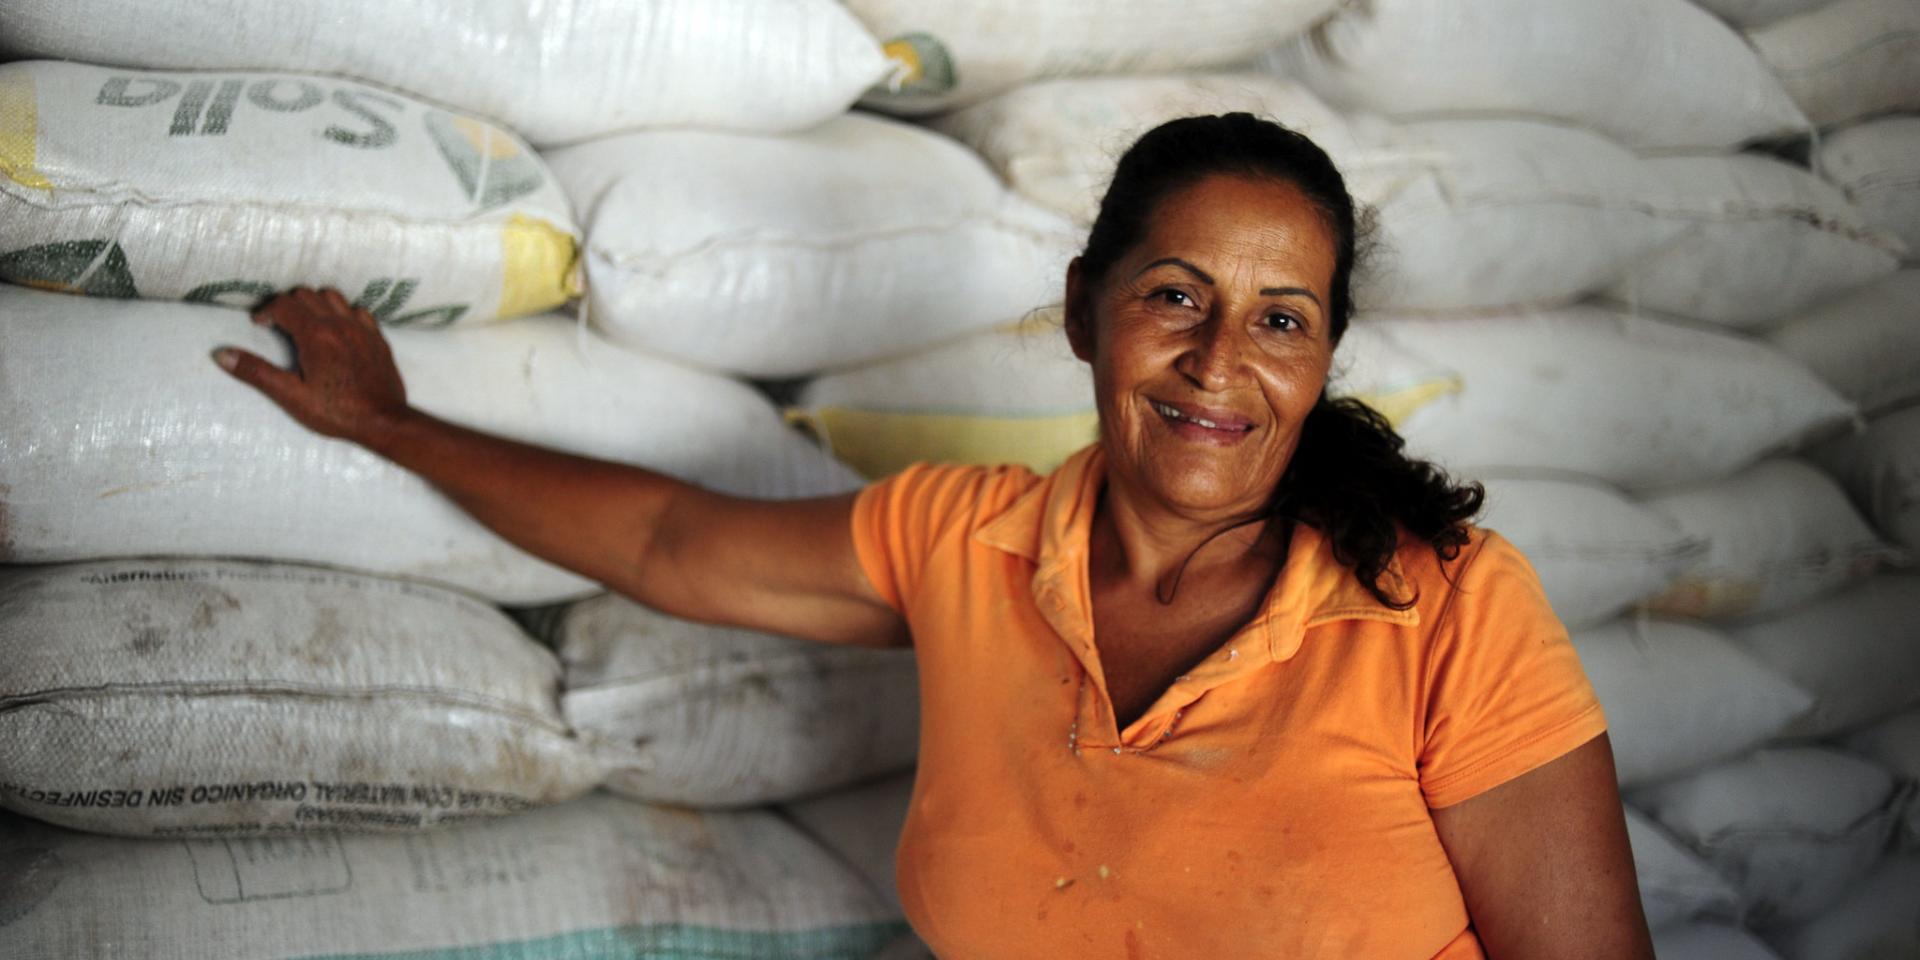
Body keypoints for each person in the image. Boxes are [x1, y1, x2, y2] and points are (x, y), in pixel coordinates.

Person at [214, 113, 1655, 959]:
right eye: (1175, 296)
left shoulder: (1444, 605)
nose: (1223, 361)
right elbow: (668, 541)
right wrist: (393, 428)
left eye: (1282, 320)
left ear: (1326, 354)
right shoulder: (965, 545)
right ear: (1088, 303)